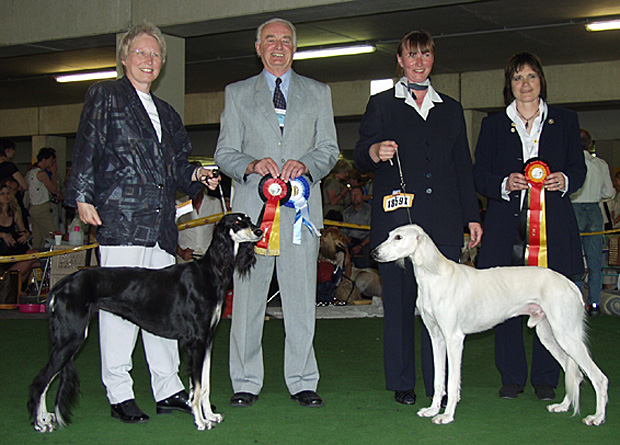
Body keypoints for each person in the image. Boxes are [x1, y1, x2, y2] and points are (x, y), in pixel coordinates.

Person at [65, 22, 220, 424]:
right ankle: (119, 392)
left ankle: (168, 389)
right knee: (119, 311)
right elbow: (88, 144)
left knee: (166, 310)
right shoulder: (105, 96)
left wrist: (198, 175)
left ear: (162, 63)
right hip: (120, 218)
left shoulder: (167, 113)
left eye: (155, 55)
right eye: (141, 53)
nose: (148, 60)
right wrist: (82, 196)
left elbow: (177, 165)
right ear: (124, 57)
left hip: (160, 226)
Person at [214, 17, 339, 409]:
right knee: (248, 300)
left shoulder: (319, 93)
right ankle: (245, 381)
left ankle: (302, 379)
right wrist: (251, 165)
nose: (278, 46)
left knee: (302, 301)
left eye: (286, 40)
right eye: (271, 40)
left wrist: (307, 166)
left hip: (301, 214)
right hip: (253, 215)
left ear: (295, 47)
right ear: (258, 48)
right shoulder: (236, 94)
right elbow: (224, 153)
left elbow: (329, 149)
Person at [354, 30, 482, 406]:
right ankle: (402, 382)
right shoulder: (381, 104)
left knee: (441, 309)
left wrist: (472, 217)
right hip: (398, 227)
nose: (419, 61)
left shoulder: (452, 108)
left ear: (433, 59)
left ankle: (437, 385)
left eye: (425, 54)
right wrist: (374, 150)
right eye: (412, 55)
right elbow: (361, 153)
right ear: (400, 60)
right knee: (399, 304)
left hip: (442, 225)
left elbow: (463, 166)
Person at [473, 52, 586, 401]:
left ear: (541, 81)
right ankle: (512, 377)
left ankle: (546, 378)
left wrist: (564, 179)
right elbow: (480, 175)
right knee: (504, 302)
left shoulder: (565, 121)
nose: (525, 84)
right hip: (505, 227)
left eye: (531, 77)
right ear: (509, 85)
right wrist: (504, 184)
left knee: (551, 304)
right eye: (518, 77)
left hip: (554, 227)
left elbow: (578, 169)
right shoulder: (493, 125)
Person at [570, 129, 614, 316]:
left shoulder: (570, 163)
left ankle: (578, 304)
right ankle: (594, 304)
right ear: (590, 144)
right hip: (595, 211)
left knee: (574, 260)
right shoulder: (601, 164)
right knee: (595, 261)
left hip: (574, 209)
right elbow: (609, 193)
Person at [0, 184, 38, 286]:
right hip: (3, 253)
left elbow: (23, 230)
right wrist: (3, 235)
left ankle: (16, 288)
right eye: (2, 194)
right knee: (31, 259)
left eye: (8, 193)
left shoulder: (15, 211)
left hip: (14, 248)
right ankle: (11, 286)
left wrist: (26, 234)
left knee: (34, 257)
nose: (6, 196)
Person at [25, 148, 63, 248]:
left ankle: (36, 258)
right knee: (54, 234)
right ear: (44, 159)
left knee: (38, 238)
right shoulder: (42, 174)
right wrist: (54, 173)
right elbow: (54, 189)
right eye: (51, 160)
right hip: (41, 207)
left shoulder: (30, 173)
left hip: (34, 207)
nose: (52, 163)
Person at [176, 185, 223, 262]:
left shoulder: (214, 203)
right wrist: (181, 252)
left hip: (208, 257)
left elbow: (221, 231)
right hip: (186, 258)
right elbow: (169, 232)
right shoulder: (179, 204)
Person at [342, 185, 372, 268]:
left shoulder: (370, 210)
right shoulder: (346, 212)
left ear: (362, 196)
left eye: (357, 194)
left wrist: (361, 245)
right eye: (352, 195)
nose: (355, 197)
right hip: (351, 240)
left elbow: (373, 232)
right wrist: (346, 240)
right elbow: (344, 231)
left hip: (365, 241)